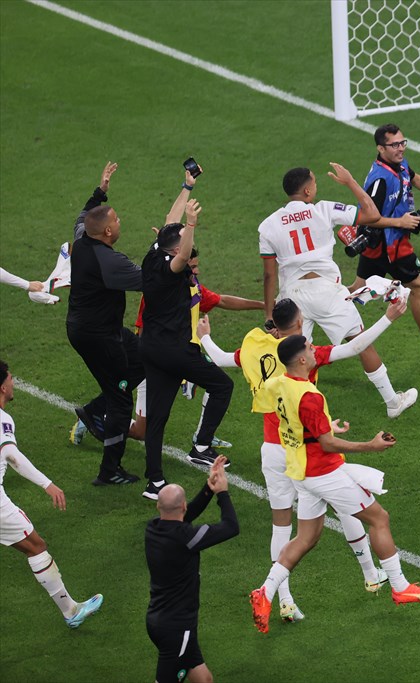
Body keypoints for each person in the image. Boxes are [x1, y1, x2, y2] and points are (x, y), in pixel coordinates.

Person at [198, 295, 407, 621]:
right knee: (348, 500)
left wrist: (205, 334)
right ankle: (373, 573)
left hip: (274, 448)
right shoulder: (304, 356)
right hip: (305, 450)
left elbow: (222, 358)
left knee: (283, 525)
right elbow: (354, 348)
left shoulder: (256, 348)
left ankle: (283, 599)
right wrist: (389, 317)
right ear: (298, 323)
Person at [248, 335, 420, 634]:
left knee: (306, 538)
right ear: (300, 359)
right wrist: (370, 446)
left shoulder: (277, 384)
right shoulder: (310, 395)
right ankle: (400, 586)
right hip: (325, 473)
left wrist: (322, 425)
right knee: (379, 519)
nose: (314, 351)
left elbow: (297, 424)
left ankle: (265, 592)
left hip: (302, 473)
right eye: (310, 349)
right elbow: (327, 443)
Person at [260, 163, 417, 418]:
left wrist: (270, 314)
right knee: (361, 342)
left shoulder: (268, 225)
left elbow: (268, 275)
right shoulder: (324, 210)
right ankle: (392, 402)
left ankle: (294, 413)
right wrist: (351, 182)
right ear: (308, 191)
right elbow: (373, 215)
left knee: (296, 357)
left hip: (292, 296)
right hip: (326, 292)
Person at [140, 192, 234, 500]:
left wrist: (187, 186)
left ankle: (154, 482)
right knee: (222, 385)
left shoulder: (154, 252)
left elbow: (170, 220)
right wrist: (191, 222)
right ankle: (202, 446)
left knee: (157, 416)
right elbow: (182, 256)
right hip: (174, 350)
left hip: (151, 347)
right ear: (176, 247)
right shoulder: (173, 268)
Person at [122, 246, 263, 447]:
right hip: (153, 362)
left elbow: (221, 300)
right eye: (193, 266)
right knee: (141, 431)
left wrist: (263, 304)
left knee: (218, 383)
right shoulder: (158, 291)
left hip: (179, 355)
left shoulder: (192, 287)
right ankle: (100, 417)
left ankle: (202, 438)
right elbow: (144, 332)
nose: (197, 271)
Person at [0, 359, 104, 628]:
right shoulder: (2, 419)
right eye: (10, 378)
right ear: (2, 387)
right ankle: (71, 612)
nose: (13, 382)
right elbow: (11, 455)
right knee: (36, 547)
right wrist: (48, 484)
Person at [349, 123, 420, 360]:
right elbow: (368, 219)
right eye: (395, 145)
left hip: (388, 244)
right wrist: (400, 223)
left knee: (355, 291)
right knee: (419, 287)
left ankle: (311, 309)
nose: (401, 148)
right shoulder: (380, 180)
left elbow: (414, 178)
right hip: (388, 246)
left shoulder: (397, 165)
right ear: (381, 148)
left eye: (403, 142)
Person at [66, 161, 146, 486]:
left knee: (144, 359)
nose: (118, 220)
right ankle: (109, 470)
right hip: (97, 335)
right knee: (121, 398)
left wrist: (101, 191)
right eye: (115, 219)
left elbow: (85, 214)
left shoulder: (83, 236)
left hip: (97, 329)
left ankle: (92, 409)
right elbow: (151, 280)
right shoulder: (110, 262)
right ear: (109, 232)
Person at [145, 456, 238, 683]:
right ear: (183, 506)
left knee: (203, 679)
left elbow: (183, 516)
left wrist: (209, 488)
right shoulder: (185, 538)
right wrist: (222, 493)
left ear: (158, 506)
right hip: (177, 628)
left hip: (158, 619)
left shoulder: (153, 529)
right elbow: (231, 526)